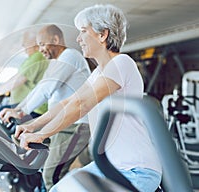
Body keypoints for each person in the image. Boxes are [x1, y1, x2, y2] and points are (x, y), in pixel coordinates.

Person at [14, 4, 162, 192]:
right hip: (111, 167)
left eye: (83, 31)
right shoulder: (99, 72)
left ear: (102, 35)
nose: (78, 38)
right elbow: (68, 102)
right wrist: (33, 125)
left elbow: (82, 104)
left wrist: (41, 134)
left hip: (135, 170)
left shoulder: (121, 63)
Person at [0, 24, 91, 191]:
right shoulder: (58, 62)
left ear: (55, 40)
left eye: (42, 44)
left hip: (76, 126)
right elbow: (40, 87)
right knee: (41, 167)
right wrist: (19, 109)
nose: (40, 49)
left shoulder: (70, 56)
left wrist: (20, 112)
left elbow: (47, 89)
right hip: (62, 125)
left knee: (51, 174)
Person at [0, 30, 49, 119]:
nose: (23, 46)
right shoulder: (33, 57)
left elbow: (19, 79)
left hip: (36, 108)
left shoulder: (37, 56)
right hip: (29, 104)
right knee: (0, 112)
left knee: (0, 112)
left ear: (34, 42)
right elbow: (16, 78)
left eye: (25, 43)